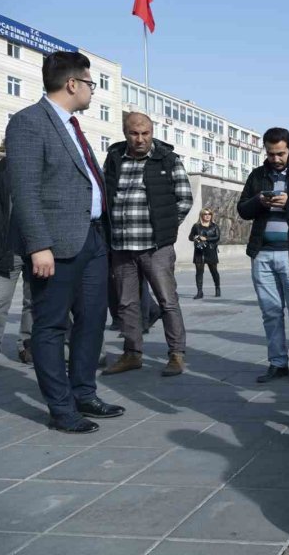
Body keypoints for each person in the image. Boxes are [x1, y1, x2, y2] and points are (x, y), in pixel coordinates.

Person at [5, 51, 123, 432]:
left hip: (92, 239)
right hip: (54, 245)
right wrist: (38, 245)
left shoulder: (73, 125)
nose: (93, 91)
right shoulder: (28, 123)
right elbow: (23, 190)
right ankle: (60, 408)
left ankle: (84, 393)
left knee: (91, 321)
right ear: (72, 84)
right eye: (91, 84)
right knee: (52, 325)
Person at [101, 113, 192, 377]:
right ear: (125, 133)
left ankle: (176, 354)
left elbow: (184, 200)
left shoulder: (167, 159)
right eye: (133, 134)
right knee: (126, 303)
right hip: (121, 246)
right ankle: (132, 354)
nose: (140, 139)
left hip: (157, 247)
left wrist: (163, 229)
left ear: (152, 132)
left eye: (145, 134)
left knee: (167, 301)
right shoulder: (115, 158)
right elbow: (107, 195)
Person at [237, 127, 289, 384]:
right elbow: (242, 210)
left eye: (280, 153)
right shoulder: (258, 175)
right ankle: (277, 363)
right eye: (271, 153)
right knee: (270, 312)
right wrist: (259, 201)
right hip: (263, 254)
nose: (275, 159)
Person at [0, 159, 33, 367]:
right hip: (6, 249)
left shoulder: (39, 167)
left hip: (37, 248)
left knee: (33, 301)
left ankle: (27, 346)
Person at [189, 209, 220, 298]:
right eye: (205, 214)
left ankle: (217, 288)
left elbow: (217, 237)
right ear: (201, 215)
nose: (207, 216)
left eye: (209, 214)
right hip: (199, 251)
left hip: (211, 251)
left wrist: (205, 238)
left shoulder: (214, 226)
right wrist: (195, 237)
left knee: (214, 271)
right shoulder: (196, 226)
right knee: (199, 272)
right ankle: (199, 292)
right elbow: (190, 237)